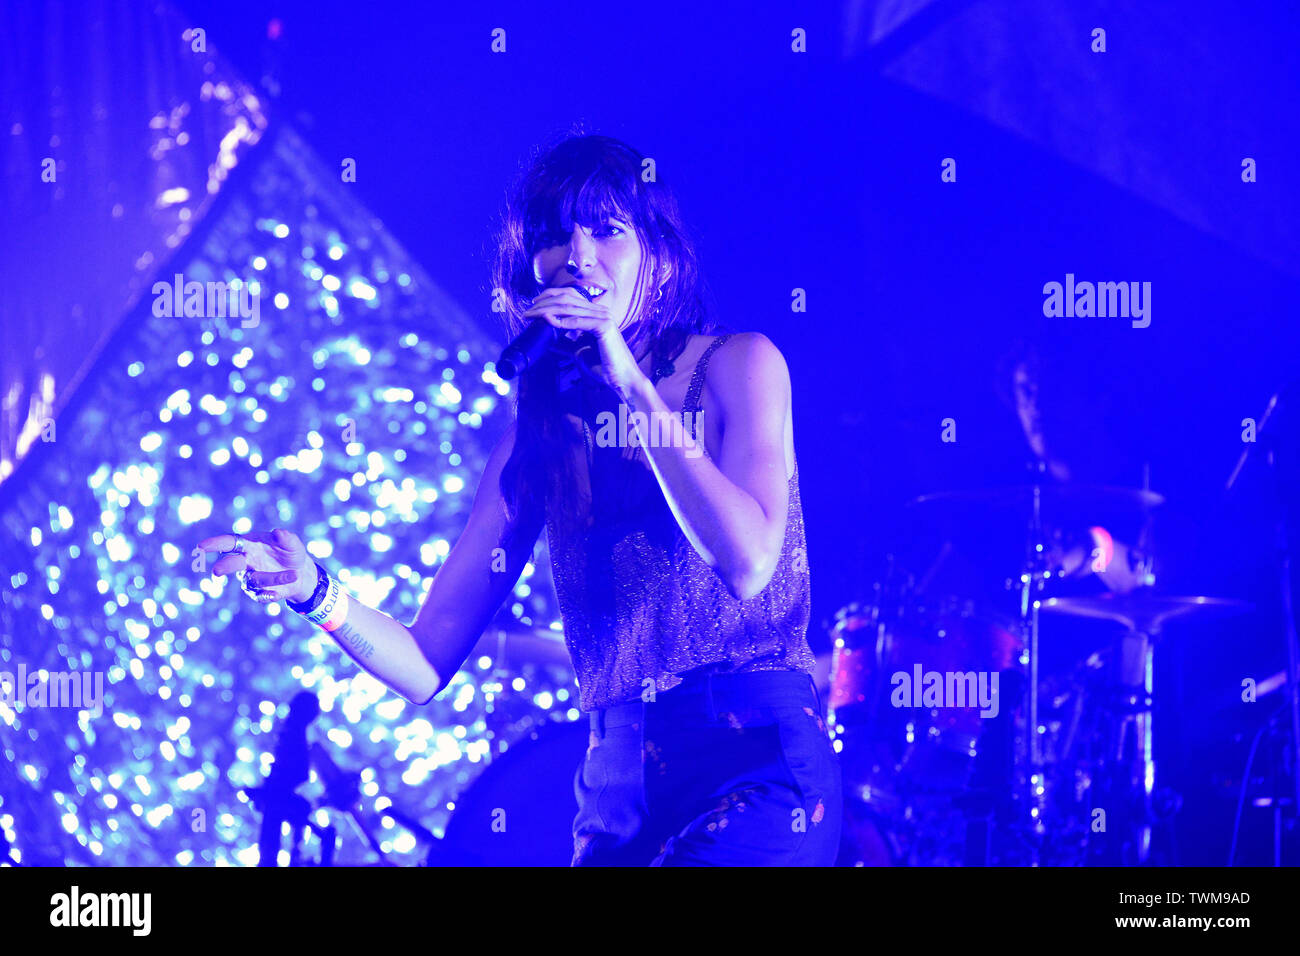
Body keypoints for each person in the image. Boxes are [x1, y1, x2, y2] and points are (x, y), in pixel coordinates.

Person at [197, 134, 841, 866]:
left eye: (606, 229)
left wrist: (627, 378)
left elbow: (749, 561)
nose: (579, 255)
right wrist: (315, 591)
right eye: (551, 238)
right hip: (618, 789)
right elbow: (423, 659)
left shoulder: (740, 366)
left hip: (751, 763)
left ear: (656, 259)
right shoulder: (538, 439)